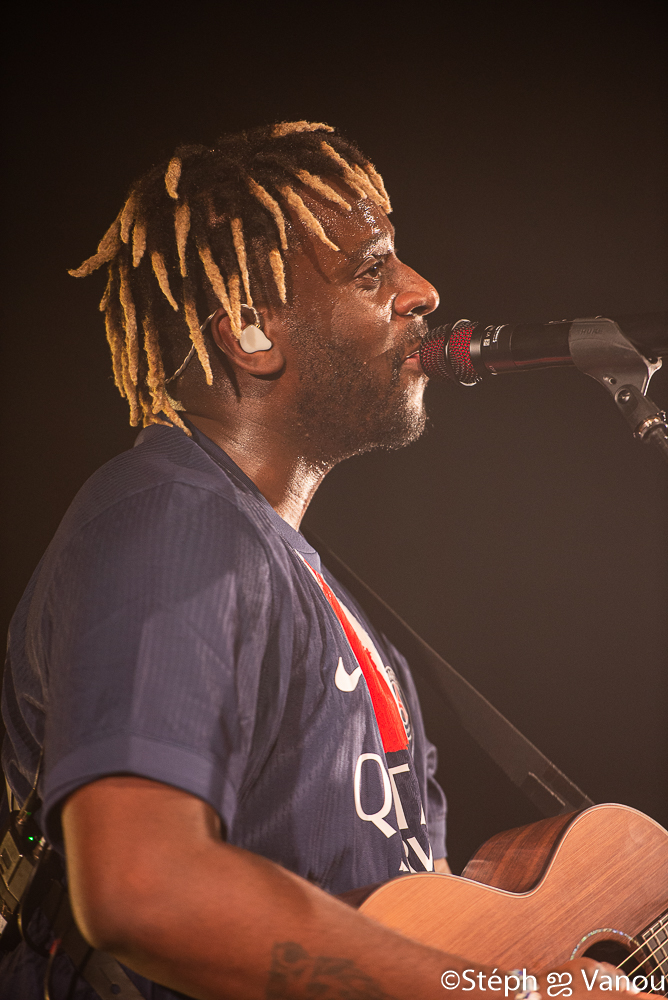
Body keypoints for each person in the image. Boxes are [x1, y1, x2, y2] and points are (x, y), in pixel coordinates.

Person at [1, 121, 644, 1000]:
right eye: (372, 272)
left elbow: (426, 934)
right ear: (249, 332)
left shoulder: (320, 598)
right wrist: (519, 993)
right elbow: (144, 891)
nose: (423, 291)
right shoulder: (174, 520)